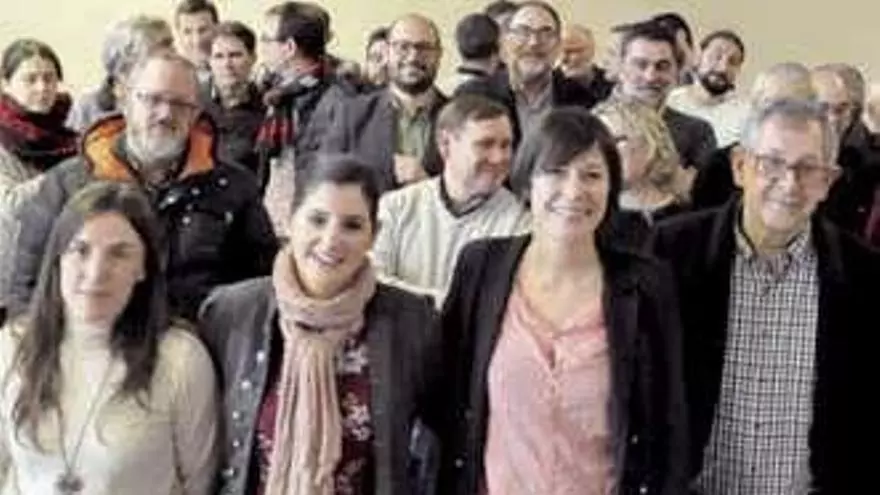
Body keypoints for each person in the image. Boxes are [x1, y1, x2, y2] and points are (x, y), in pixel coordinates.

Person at [437, 108, 688, 495]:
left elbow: (669, 426)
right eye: (555, 172)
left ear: (611, 188)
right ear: (527, 182)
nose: (574, 191)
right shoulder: (481, 267)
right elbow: (448, 398)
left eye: (592, 175)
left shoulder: (645, 285)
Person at [652, 98, 878, 493]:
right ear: (740, 166)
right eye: (771, 163)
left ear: (828, 181)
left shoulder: (864, 275)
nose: (789, 184)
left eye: (807, 168)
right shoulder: (672, 252)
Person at [198, 153, 441, 495]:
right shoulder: (231, 313)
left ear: (374, 235)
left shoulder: (412, 321)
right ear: (290, 221)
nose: (331, 240)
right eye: (317, 220)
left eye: (352, 225)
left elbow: (439, 437)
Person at [11, 51, 278, 321]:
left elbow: (260, 285)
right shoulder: (69, 184)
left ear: (196, 113)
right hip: (89, 336)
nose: (165, 114)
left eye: (180, 104)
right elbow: (27, 285)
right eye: (153, 99)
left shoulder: (233, 187)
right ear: (126, 102)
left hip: (196, 336)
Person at [0, 181, 217, 494]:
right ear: (58, 259)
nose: (96, 272)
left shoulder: (180, 360)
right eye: (81, 250)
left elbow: (200, 483)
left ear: (143, 268)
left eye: (119, 254)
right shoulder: (11, 345)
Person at [372, 94, 531, 306]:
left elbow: (493, 304)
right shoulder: (396, 207)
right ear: (445, 145)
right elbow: (372, 283)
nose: (499, 157)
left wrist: (407, 298)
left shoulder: (520, 223)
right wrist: (451, 304)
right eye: (486, 144)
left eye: (506, 145)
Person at [313, 14, 448, 194]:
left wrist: (429, 186)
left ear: (439, 54)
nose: (413, 57)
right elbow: (325, 185)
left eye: (423, 48)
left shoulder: (461, 118)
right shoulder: (351, 115)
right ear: (387, 53)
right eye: (403, 47)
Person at [0, 39, 78, 324]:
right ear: (7, 84)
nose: (42, 88)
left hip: (58, 271)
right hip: (10, 276)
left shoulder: (70, 137)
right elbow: (9, 204)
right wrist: (62, 176)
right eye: (30, 79)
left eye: (49, 78)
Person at [616, 21, 717, 170]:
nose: (650, 77)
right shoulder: (592, 126)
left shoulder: (697, 133)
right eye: (640, 65)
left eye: (662, 67)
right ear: (621, 68)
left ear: (677, 73)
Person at [594, 97, 690, 248]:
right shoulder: (590, 222)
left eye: (617, 140)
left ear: (651, 145)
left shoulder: (692, 219)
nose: (603, 153)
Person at [66, 15, 174, 132]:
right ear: (127, 61)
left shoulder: (178, 96)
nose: (174, 54)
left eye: (171, 46)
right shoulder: (89, 105)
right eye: (163, 47)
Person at [666, 30, 750, 148]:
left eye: (732, 62)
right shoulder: (670, 102)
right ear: (699, 56)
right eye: (716, 57)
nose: (723, 68)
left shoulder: (747, 112)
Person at [203, 20, 264, 173]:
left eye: (235, 55)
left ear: (253, 58)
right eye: (219, 56)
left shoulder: (267, 106)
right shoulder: (193, 101)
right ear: (209, 62)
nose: (227, 65)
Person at [174, 0, 220, 85]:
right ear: (179, 34)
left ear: (217, 29)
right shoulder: (170, 76)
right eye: (187, 32)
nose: (197, 41)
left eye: (203, 30)